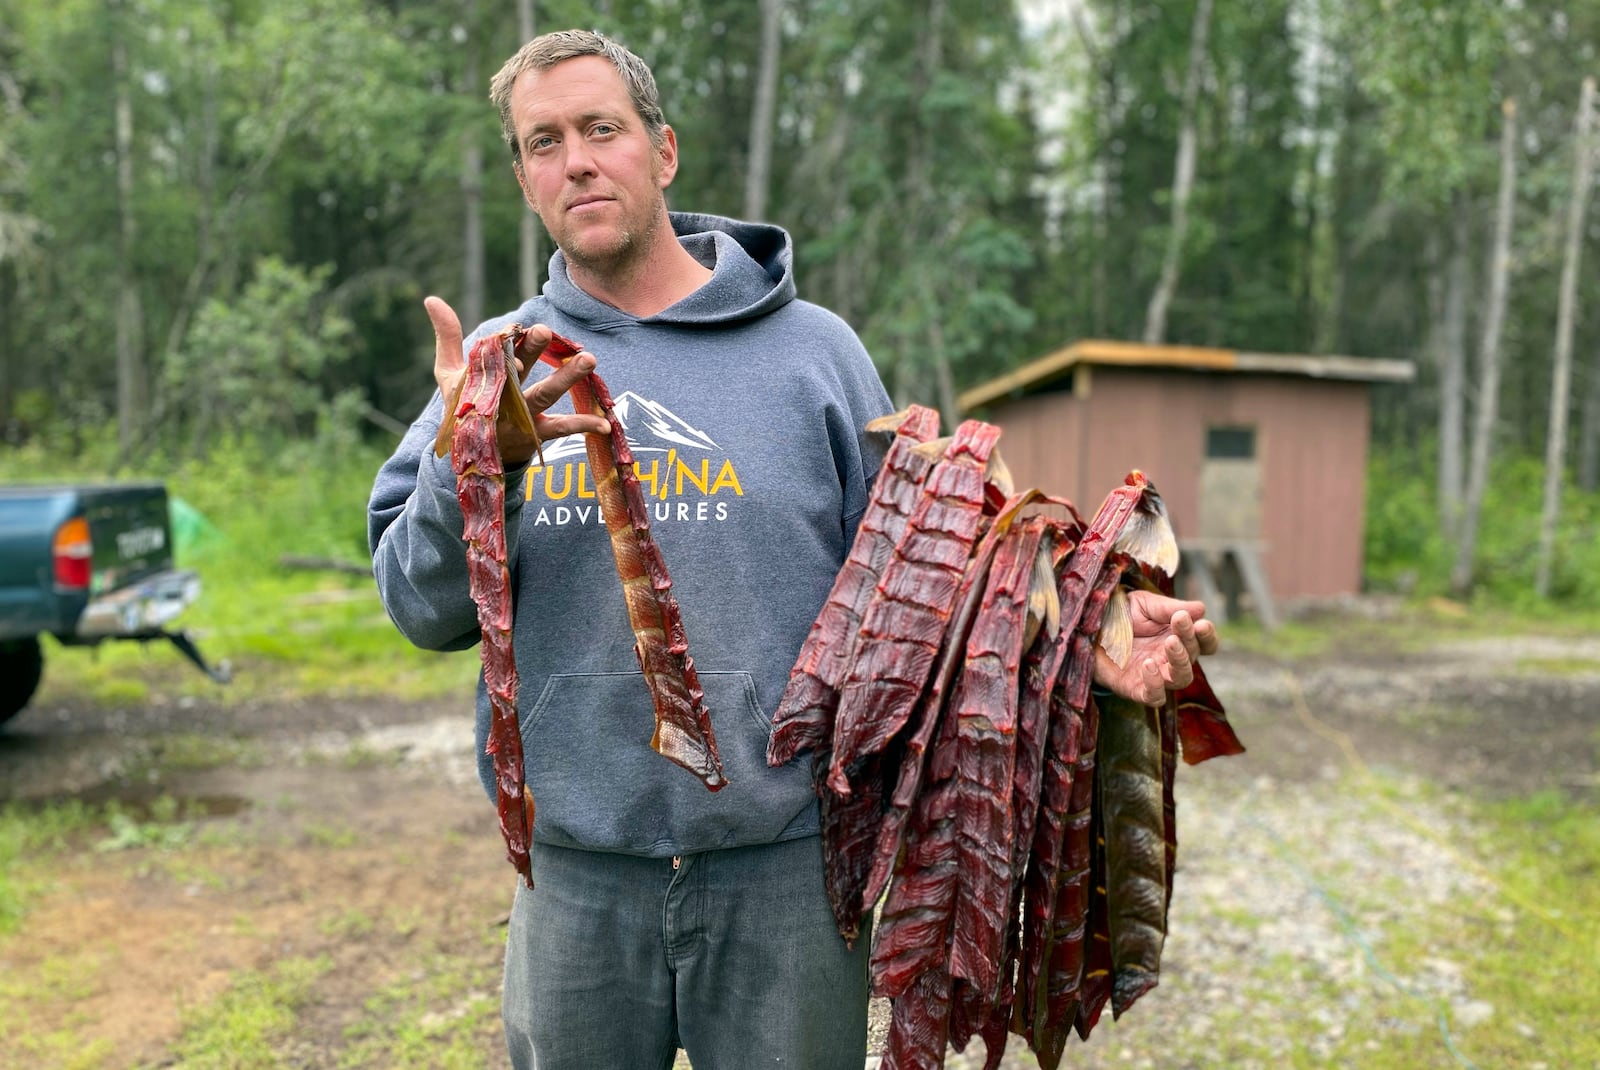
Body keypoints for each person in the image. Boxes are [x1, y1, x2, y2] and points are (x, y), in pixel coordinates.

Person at [367, 28, 1218, 1070]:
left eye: (602, 128)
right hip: (577, 876)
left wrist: (1084, 625)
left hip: (786, 875)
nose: (576, 159)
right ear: (523, 176)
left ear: (663, 150)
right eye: (543, 141)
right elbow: (422, 609)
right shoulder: (497, 369)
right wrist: (474, 469)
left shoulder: (813, 353)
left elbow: (933, 577)